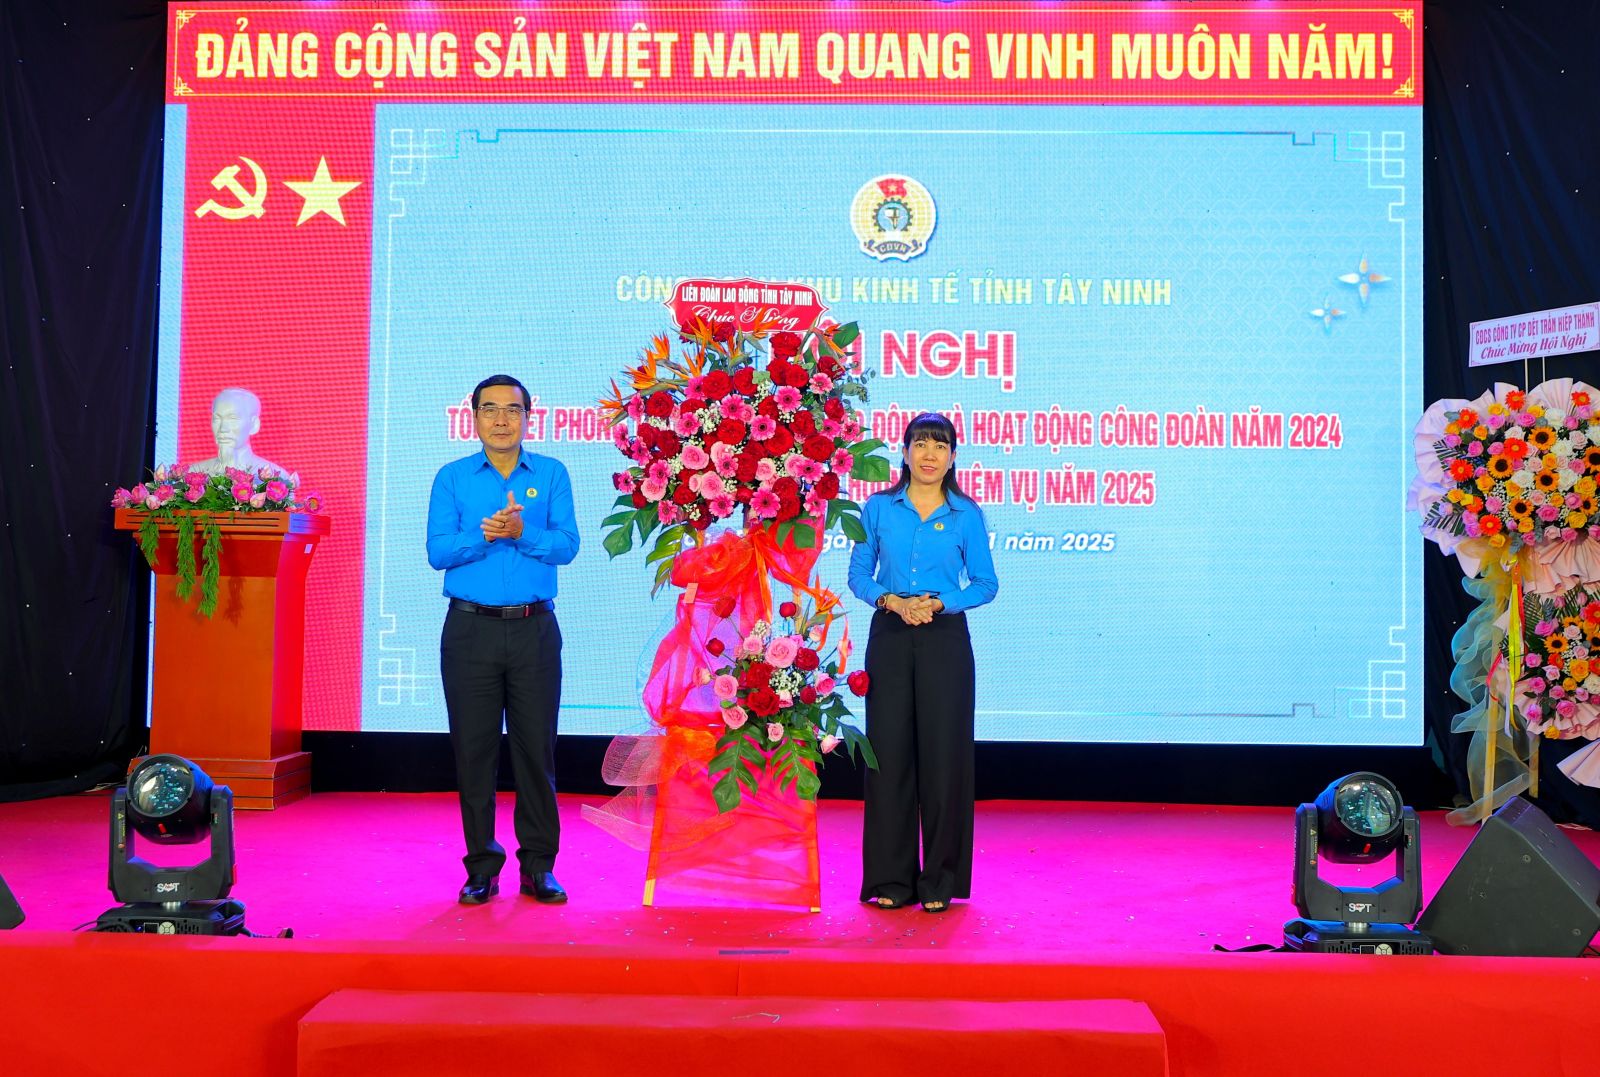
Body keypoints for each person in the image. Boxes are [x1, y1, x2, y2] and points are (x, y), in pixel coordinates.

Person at [427, 374, 579, 905]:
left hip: (535, 629)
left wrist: (523, 533)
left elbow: (567, 545)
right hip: (470, 630)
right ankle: (481, 868)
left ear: (527, 418)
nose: (500, 420)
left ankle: (539, 867)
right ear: (474, 418)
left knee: (536, 752)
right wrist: (485, 535)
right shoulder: (452, 478)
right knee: (474, 753)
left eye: (512, 410)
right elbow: (438, 552)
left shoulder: (552, 473)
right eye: (489, 409)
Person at [847, 412, 998, 913]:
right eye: (920, 444)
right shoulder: (877, 508)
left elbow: (985, 584)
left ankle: (939, 880)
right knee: (888, 757)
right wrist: (891, 601)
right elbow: (858, 574)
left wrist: (940, 603)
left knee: (944, 757)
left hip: (944, 637)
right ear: (905, 452)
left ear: (953, 457)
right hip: (890, 634)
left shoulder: (965, 514)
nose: (929, 454)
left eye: (940, 446)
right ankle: (891, 879)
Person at [190, 388, 286, 477]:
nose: (223, 428)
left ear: (254, 425)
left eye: (233, 418)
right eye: (217, 419)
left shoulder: (275, 477)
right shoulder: (193, 474)